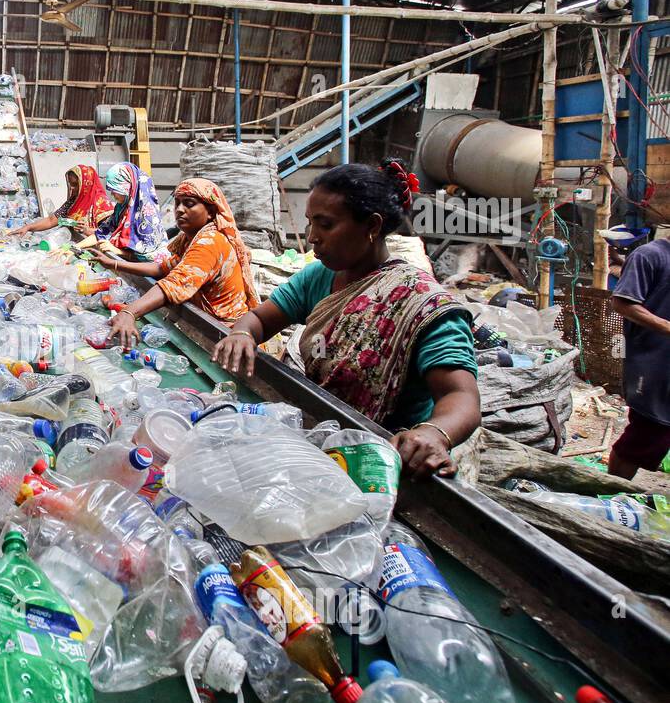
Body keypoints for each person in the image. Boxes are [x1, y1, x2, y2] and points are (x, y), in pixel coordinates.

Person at [213, 159, 480, 478]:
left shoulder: (421, 304)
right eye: (310, 223)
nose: (312, 237)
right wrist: (242, 334)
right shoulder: (319, 277)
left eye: (325, 225)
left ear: (372, 226)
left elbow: (460, 396)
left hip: (382, 459)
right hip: (320, 437)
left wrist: (433, 434)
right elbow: (259, 320)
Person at [94, 178, 259, 346]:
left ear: (210, 211)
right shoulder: (191, 238)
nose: (180, 210)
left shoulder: (211, 241)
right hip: (207, 325)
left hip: (224, 335)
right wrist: (113, 264)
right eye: (177, 203)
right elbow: (162, 268)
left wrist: (129, 312)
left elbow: (175, 283)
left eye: (189, 204)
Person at [608, 235, 670, 480]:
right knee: (646, 433)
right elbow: (623, 303)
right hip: (653, 362)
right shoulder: (650, 255)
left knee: (657, 438)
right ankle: (611, 494)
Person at [5, 165, 113, 240]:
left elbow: (111, 234)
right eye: (70, 184)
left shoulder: (102, 204)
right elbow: (54, 220)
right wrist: (28, 227)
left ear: (87, 183)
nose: (72, 188)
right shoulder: (73, 201)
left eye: (75, 184)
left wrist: (86, 230)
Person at [98, 161, 166, 260]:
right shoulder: (121, 208)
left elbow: (152, 258)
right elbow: (102, 231)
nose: (112, 194)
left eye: (114, 190)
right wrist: (75, 248)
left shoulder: (147, 216)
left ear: (127, 187)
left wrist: (118, 251)